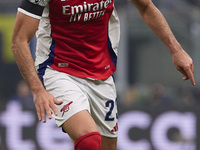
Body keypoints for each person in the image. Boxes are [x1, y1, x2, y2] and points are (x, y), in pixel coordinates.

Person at [11, 0, 195, 149]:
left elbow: (146, 6)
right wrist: (37, 90)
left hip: (101, 74)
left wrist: (176, 50)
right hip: (58, 70)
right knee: (89, 141)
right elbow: (19, 40)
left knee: (106, 145)